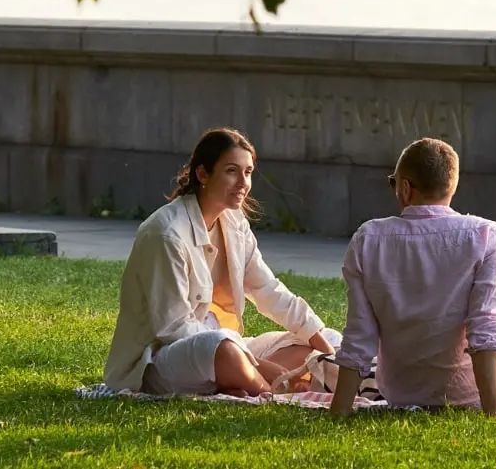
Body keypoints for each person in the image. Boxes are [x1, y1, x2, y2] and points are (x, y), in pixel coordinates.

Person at [330, 137, 496, 417]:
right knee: (495, 308)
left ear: (404, 188)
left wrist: (339, 411)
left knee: (495, 307)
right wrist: (495, 414)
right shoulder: (485, 234)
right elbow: (485, 326)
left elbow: (359, 334)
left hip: (401, 393)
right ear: (452, 185)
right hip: (470, 391)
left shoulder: (368, 239)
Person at [104, 127, 341, 396]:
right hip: (162, 360)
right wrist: (262, 367)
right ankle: (273, 395)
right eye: (231, 171)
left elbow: (267, 289)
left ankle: (253, 381)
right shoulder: (166, 233)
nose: (243, 182)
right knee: (222, 347)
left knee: (321, 342)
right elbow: (173, 328)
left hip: (230, 349)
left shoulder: (234, 222)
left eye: (248, 172)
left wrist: (319, 340)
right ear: (203, 174)